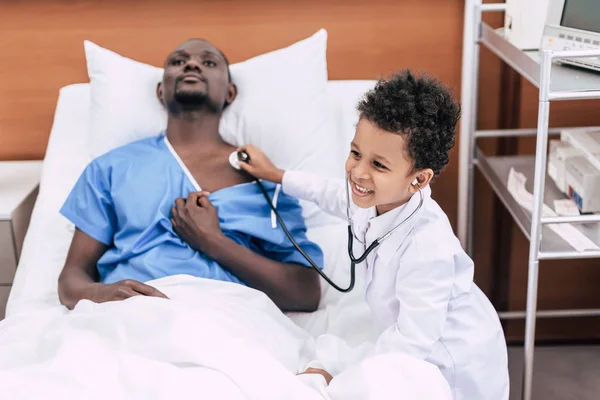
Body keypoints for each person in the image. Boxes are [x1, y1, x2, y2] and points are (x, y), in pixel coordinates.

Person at [238, 70, 510, 400]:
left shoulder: (427, 247)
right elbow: (332, 194)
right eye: (355, 153)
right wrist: (275, 174)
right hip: (410, 341)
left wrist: (338, 370)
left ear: (419, 180)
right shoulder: (375, 198)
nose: (358, 172)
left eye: (379, 165)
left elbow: (411, 344)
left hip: (450, 361)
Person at [57, 38, 324, 313]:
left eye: (208, 62)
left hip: (228, 322)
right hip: (130, 318)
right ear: (161, 91)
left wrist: (215, 242)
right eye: (178, 62)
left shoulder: (264, 180)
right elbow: (71, 279)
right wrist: (102, 293)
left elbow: (305, 293)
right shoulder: (110, 169)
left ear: (230, 93)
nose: (192, 64)